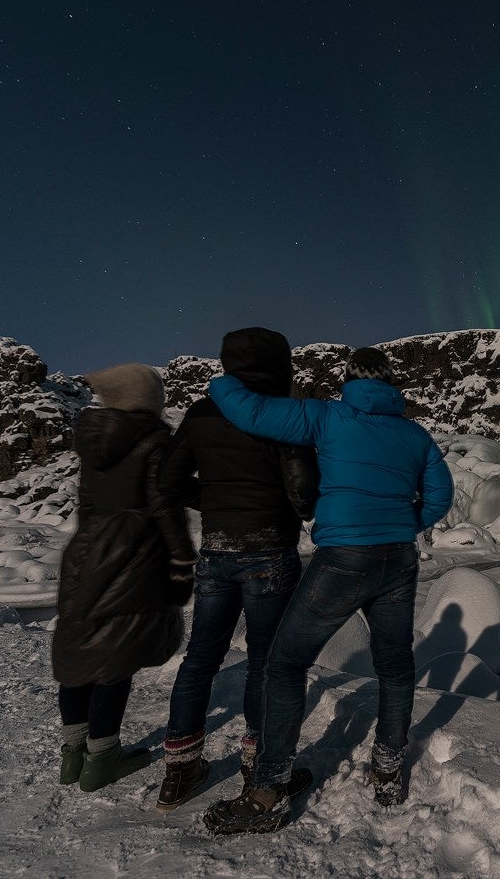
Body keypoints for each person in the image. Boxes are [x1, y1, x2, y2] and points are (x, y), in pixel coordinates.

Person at [202, 345, 454, 834]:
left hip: (344, 558)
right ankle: (387, 769)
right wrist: (402, 523)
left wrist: (221, 381)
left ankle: (269, 788)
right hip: (398, 558)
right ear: (389, 383)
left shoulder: (328, 417)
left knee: (284, 662)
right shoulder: (414, 433)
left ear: (349, 380)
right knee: (396, 665)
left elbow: (252, 412)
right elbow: (441, 495)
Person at [154, 327, 320, 811]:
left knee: (201, 656)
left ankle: (179, 771)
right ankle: (257, 767)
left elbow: (167, 481)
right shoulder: (280, 412)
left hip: (218, 548)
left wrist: (213, 501)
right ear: (279, 365)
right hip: (270, 548)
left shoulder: (203, 412)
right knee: (265, 663)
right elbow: (304, 496)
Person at [52, 363, 196, 792]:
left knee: (80, 649)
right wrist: (182, 561)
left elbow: (86, 504)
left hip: (87, 547)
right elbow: (163, 505)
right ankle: (103, 758)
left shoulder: (93, 441)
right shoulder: (154, 440)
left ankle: (72, 754)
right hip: (136, 550)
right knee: (116, 654)